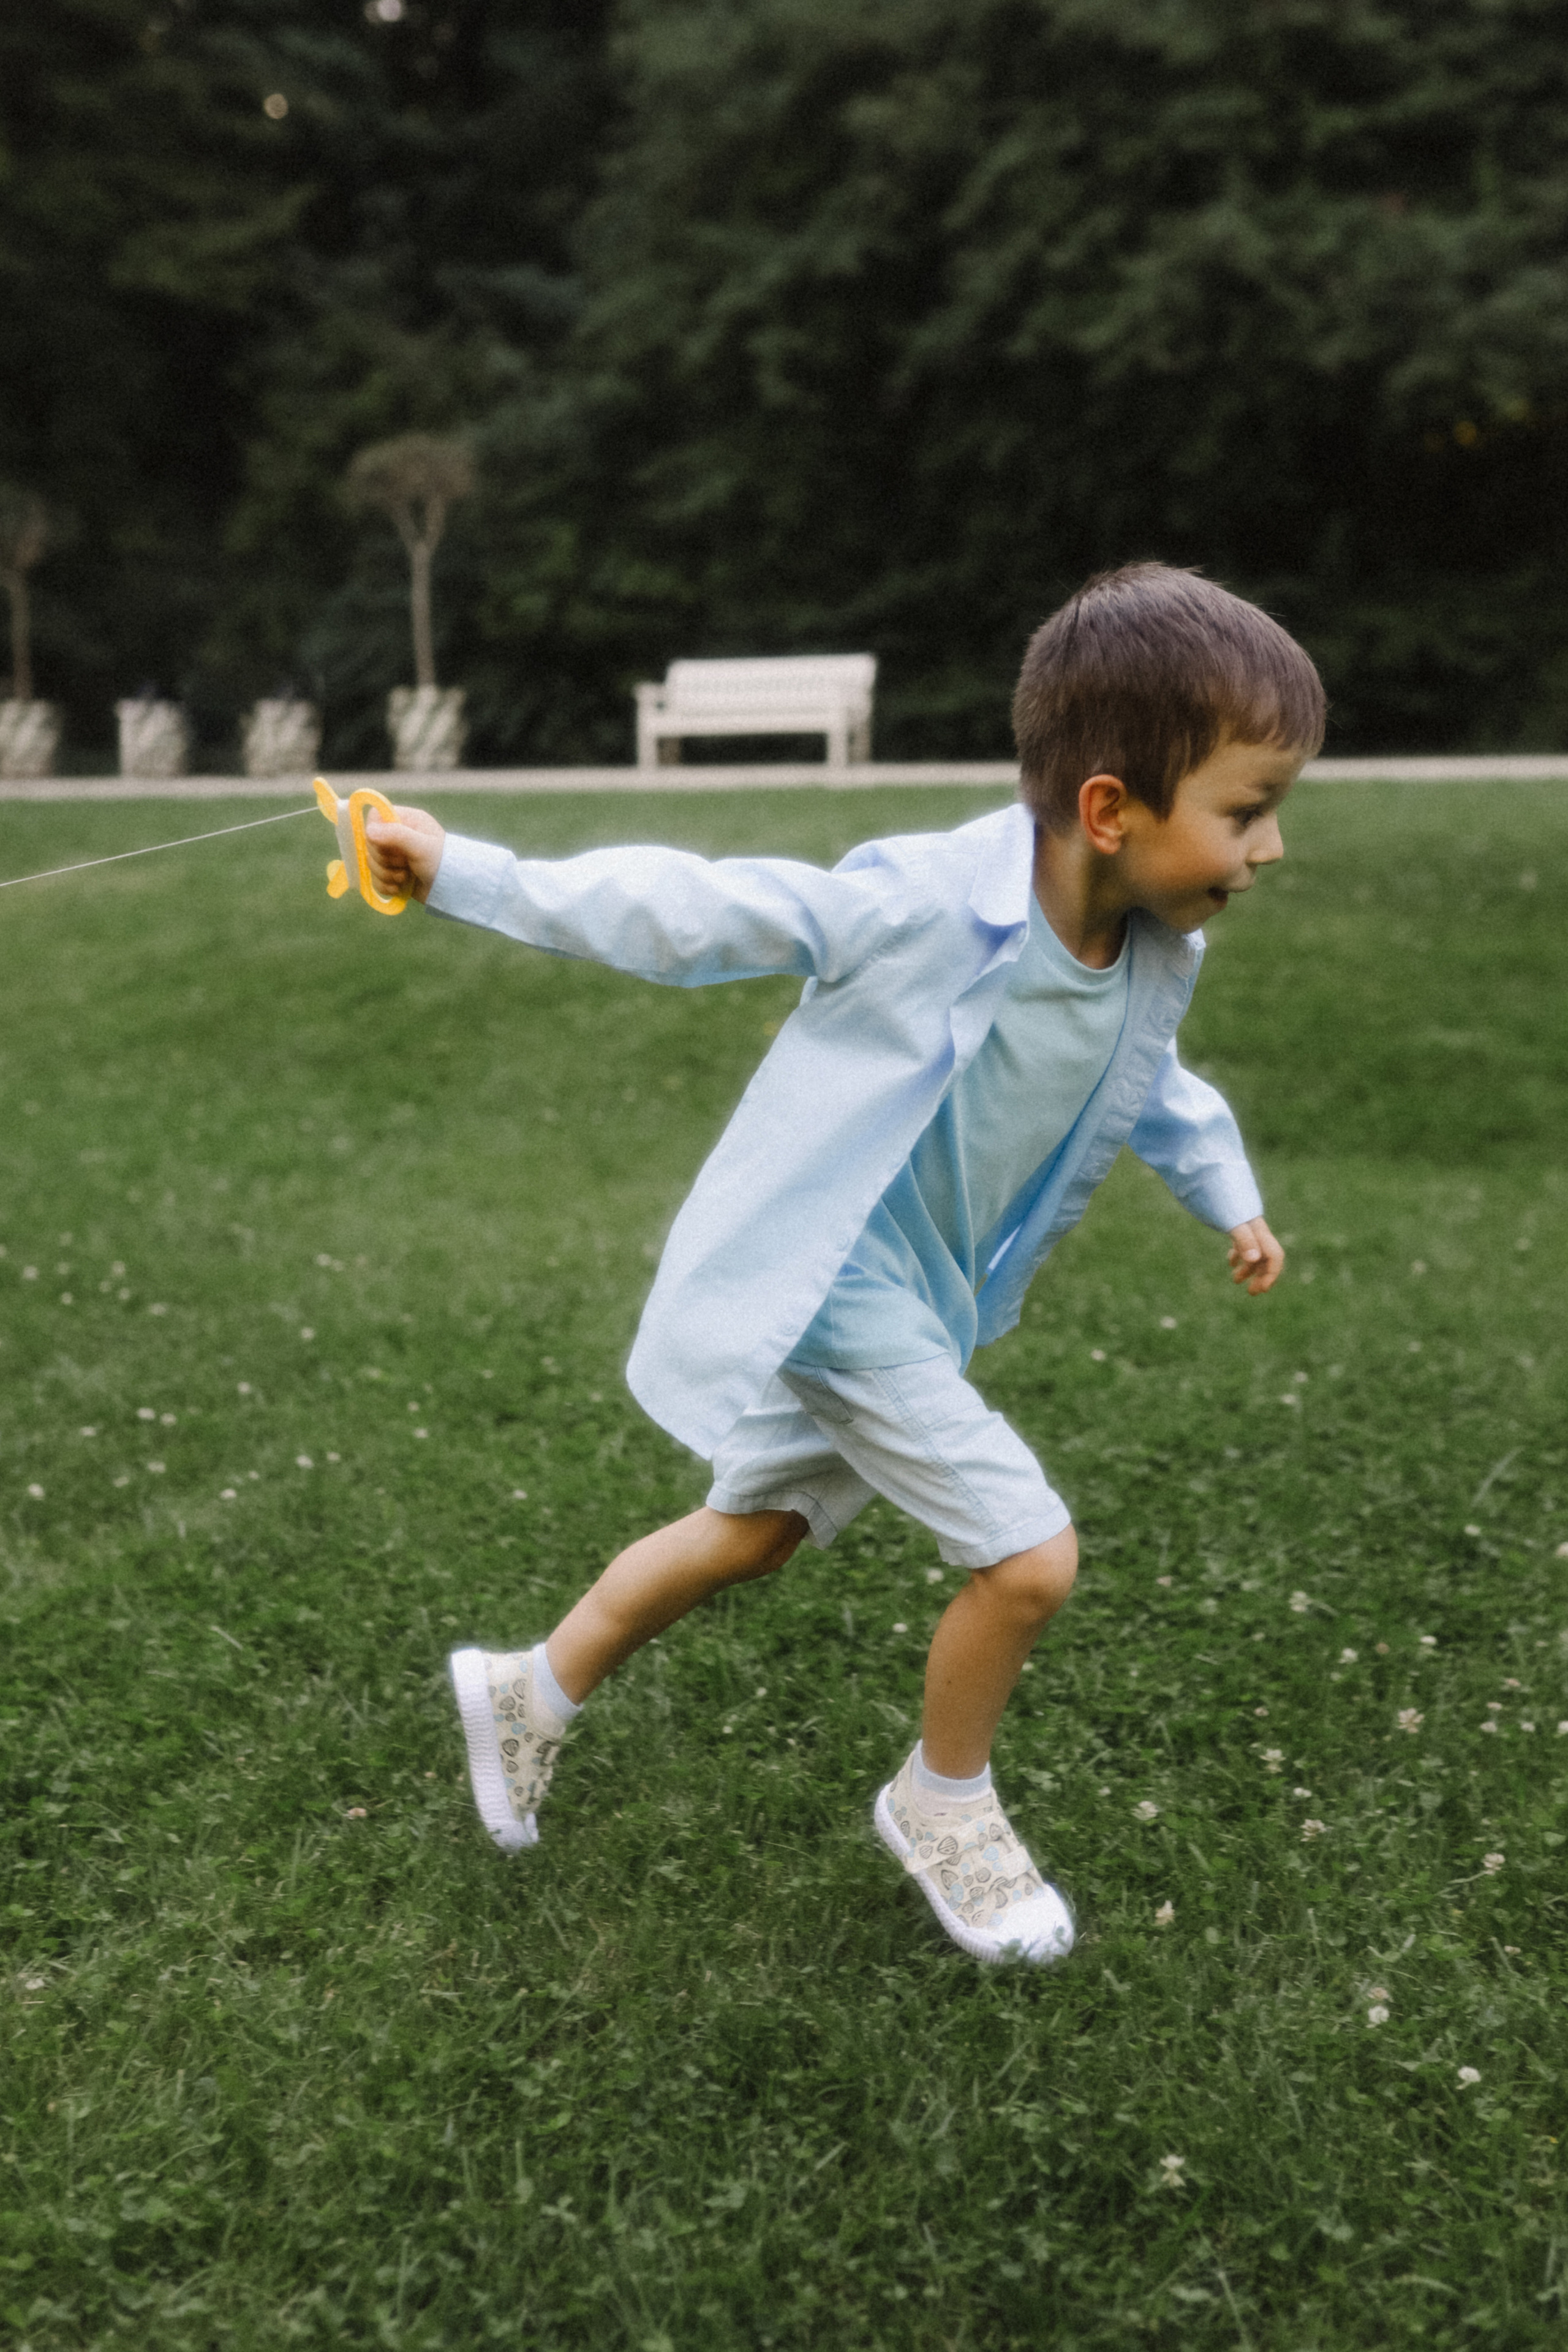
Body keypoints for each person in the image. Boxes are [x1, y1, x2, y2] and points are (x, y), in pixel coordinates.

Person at [364, 562, 1324, 1966]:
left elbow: (1151, 1083)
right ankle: (943, 1804)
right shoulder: (924, 904)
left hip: (918, 1299)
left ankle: (529, 1690)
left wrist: (1225, 1193)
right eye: (1245, 812)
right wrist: (467, 870)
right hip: (831, 1280)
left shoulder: (1136, 954)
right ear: (1109, 810)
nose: (1269, 848)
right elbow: (700, 910)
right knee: (1027, 1559)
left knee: (753, 1531)